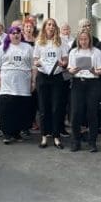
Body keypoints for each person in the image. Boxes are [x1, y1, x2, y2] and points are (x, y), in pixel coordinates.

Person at [0, 24, 35, 144]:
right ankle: (7, 133)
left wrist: (33, 81)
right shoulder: (2, 48)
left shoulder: (28, 48)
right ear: (9, 35)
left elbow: (33, 66)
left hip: (23, 85)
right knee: (7, 110)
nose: (16, 35)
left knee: (20, 109)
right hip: (7, 85)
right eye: (13, 33)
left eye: (18, 33)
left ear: (21, 34)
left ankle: (17, 133)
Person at [67, 29, 101, 152]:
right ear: (78, 40)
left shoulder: (96, 52)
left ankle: (92, 141)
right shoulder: (74, 52)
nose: (83, 41)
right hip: (78, 82)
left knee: (92, 112)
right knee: (76, 112)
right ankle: (76, 141)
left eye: (86, 39)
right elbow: (69, 68)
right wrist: (73, 71)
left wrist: (95, 71)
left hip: (93, 83)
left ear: (90, 40)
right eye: (81, 39)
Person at [34, 18, 68, 148]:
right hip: (43, 77)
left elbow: (65, 60)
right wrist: (37, 63)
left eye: (53, 25)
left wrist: (63, 64)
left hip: (56, 77)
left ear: (56, 28)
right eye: (49, 24)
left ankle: (56, 137)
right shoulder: (39, 42)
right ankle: (44, 137)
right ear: (44, 27)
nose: (51, 27)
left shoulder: (61, 42)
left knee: (56, 108)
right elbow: (35, 60)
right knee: (43, 108)